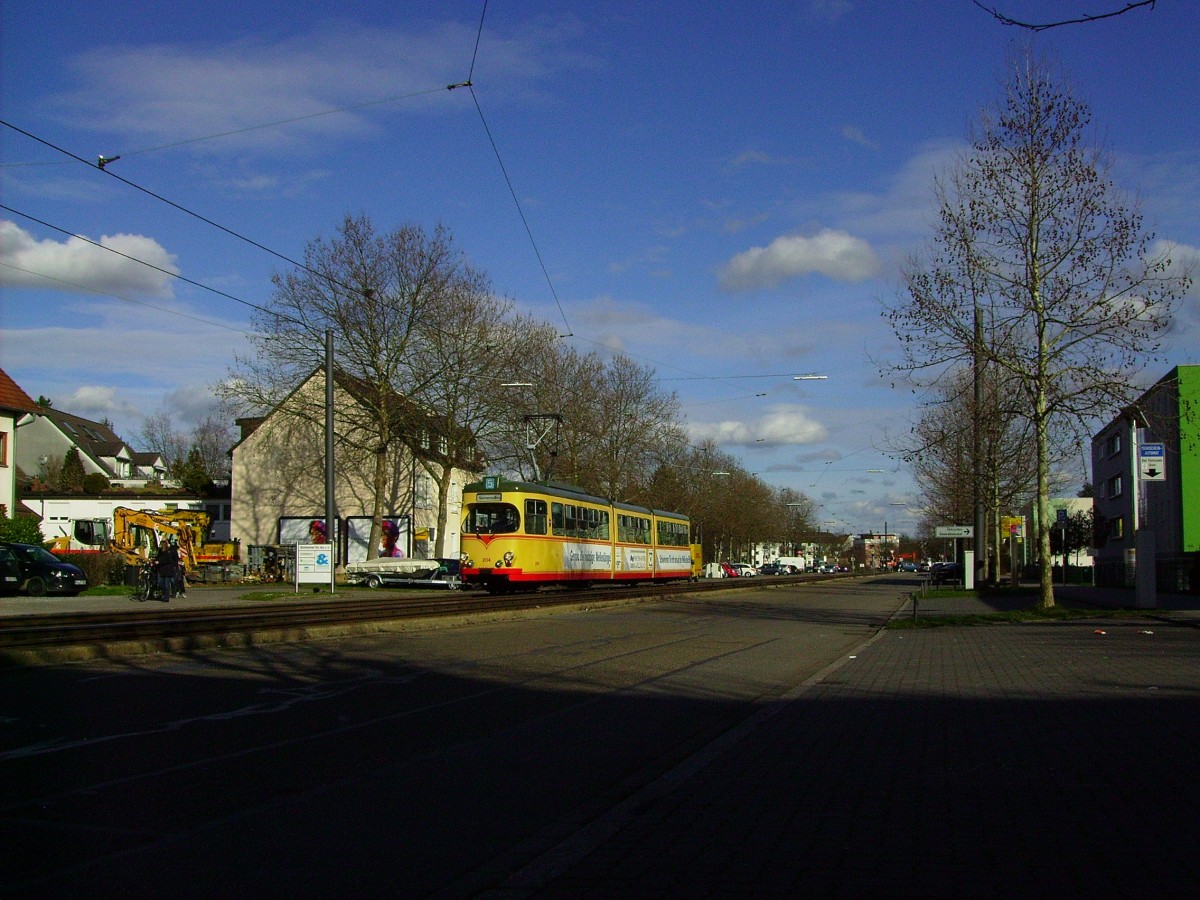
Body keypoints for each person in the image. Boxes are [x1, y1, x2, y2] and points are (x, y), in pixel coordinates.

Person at [152, 538, 180, 603]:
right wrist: (154, 560)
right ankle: (164, 594)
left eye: (164, 541)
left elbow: (170, 559)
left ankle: (166, 597)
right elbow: (158, 556)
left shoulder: (171, 550)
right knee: (160, 582)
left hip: (168, 569)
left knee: (167, 583)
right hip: (161, 569)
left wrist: (160, 561)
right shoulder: (161, 550)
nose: (162, 543)